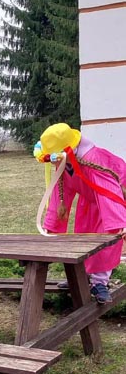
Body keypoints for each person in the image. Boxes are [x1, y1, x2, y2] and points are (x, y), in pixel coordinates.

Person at [34, 122, 126, 304]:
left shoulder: (93, 160)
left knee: (105, 240)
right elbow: (61, 194)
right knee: (83, 237)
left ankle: (99, 283)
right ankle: (80, 277)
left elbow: (108, 192)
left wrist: (119, 222)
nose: (52, 162)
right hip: (90, 201)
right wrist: (51, 226)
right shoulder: (65, 164)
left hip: (112, 203)